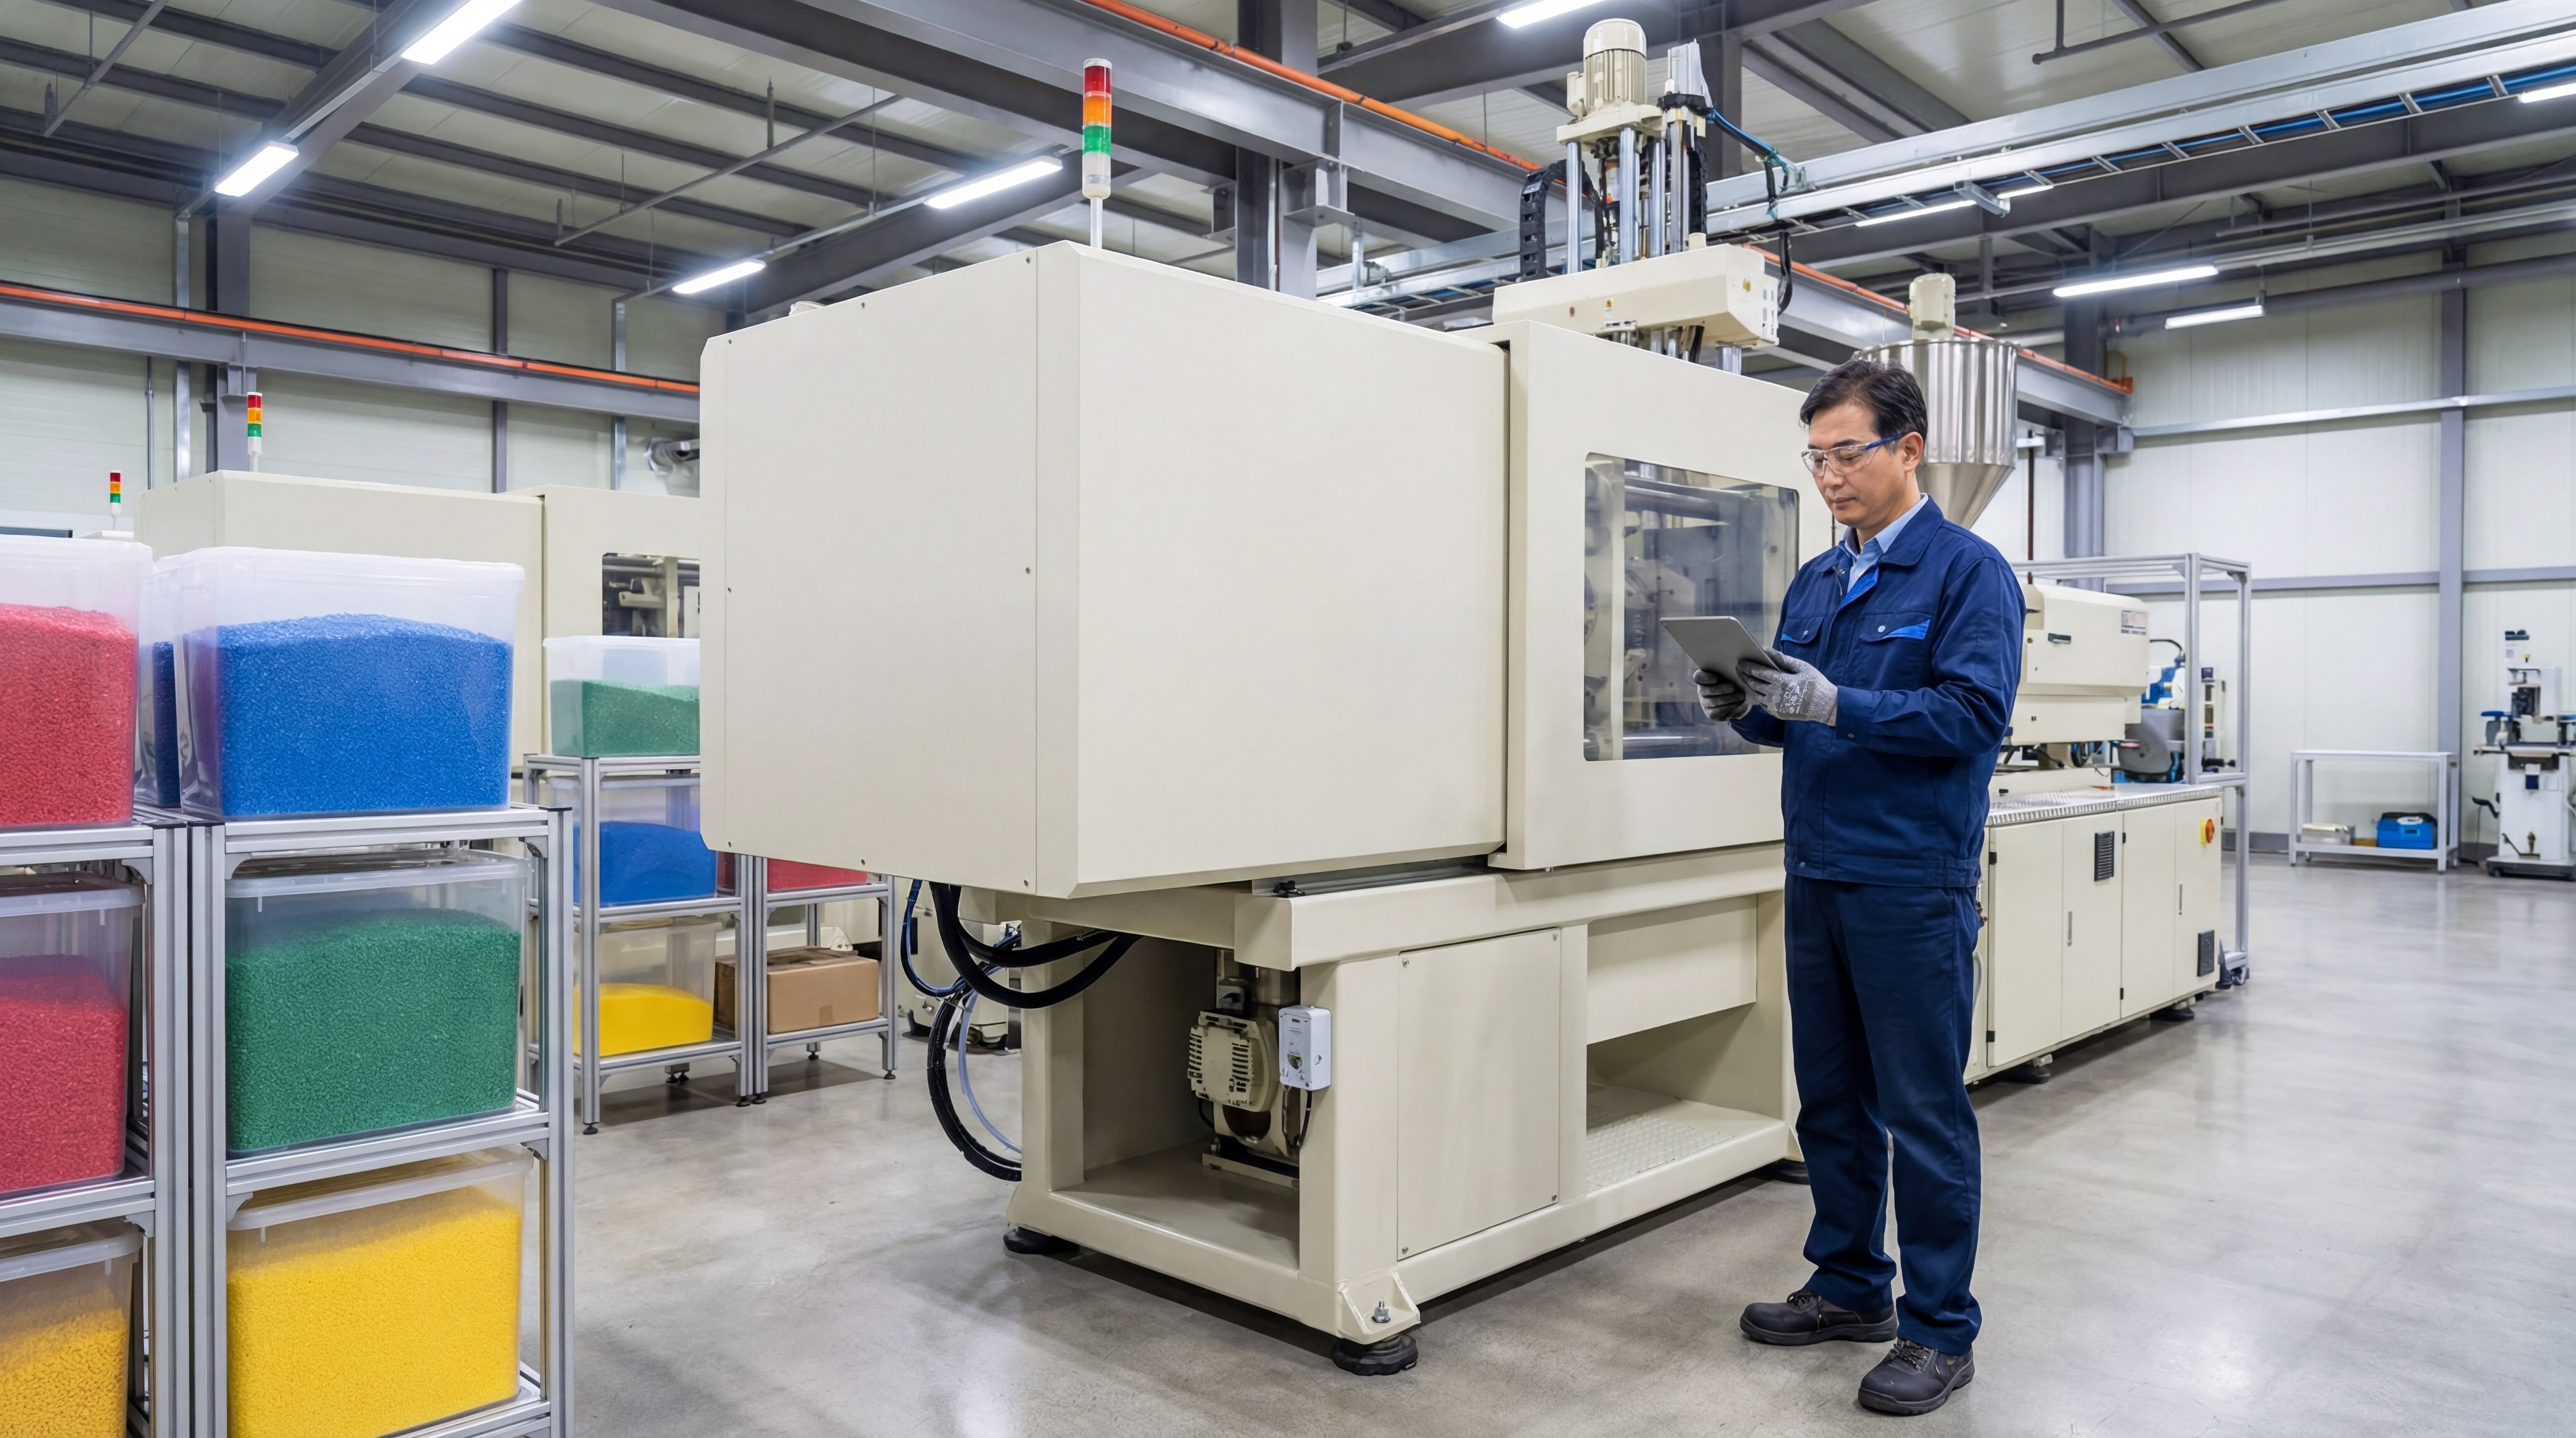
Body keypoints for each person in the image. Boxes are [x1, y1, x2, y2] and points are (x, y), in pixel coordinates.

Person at [1697, 357, 2023, 1417]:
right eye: (1817, 457)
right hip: (1817, 869)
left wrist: (1842, 703)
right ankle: (1849, 1287)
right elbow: (1787, 713)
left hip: (1908, 880)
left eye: (1847, 453)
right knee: (1830, 1102)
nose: (1829, 475)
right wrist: (1739, 700)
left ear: (1908, 449)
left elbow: (1974, 716)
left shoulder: (1966, 572)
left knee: (1921, 1111)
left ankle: (1939, 1329)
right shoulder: (1818, 580)